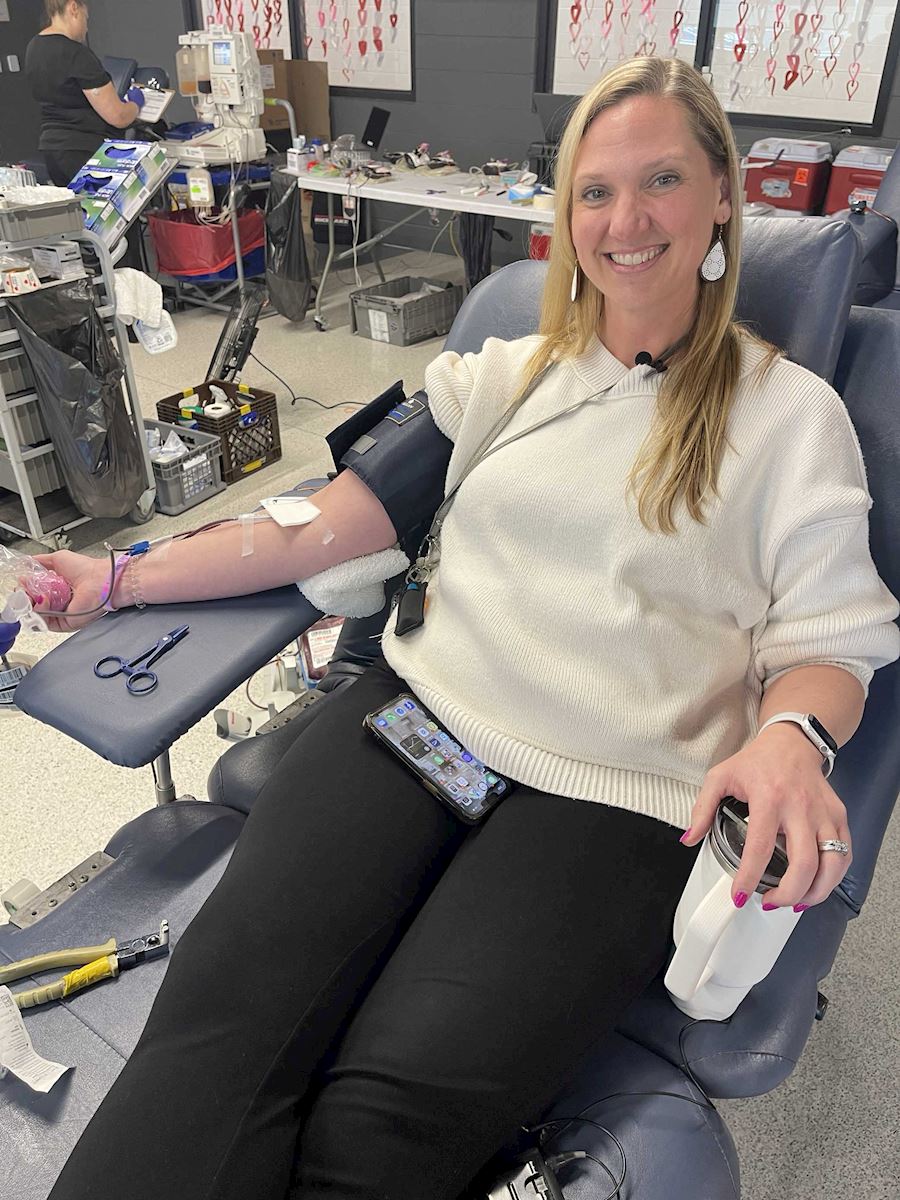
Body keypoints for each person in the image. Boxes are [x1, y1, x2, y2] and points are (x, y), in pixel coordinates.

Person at [41, 58, 898, 1200]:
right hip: (420, 725)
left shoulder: (795, 418)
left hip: (614, 794)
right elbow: (321, 523)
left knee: (378, 1131)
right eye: (594, 191)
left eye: (661, 182)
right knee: (214, 1033)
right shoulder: (507, 373)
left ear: (721, 201)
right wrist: (118, 581)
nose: (624, 220)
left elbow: (831, 642)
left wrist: (794, 735)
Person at [25, 0, 144, 188]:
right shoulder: (76, 53)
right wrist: (135, 104)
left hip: (53, 149)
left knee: (77, 215)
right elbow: (118, 116)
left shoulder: (34, 47)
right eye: (85, 18)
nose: (86, 28)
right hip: (85, 151)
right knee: (106, 215)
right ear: (73, 8)